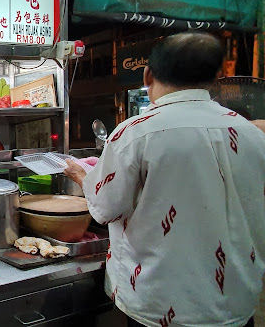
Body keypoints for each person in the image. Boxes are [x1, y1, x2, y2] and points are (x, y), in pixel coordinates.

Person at [64, 31, 265, 327]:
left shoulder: (135, 132)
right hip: (236, 305)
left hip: (160, 309)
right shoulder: (251, 134)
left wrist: (82, 176)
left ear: (147, 76)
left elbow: (105, 209)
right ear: (217, 77)